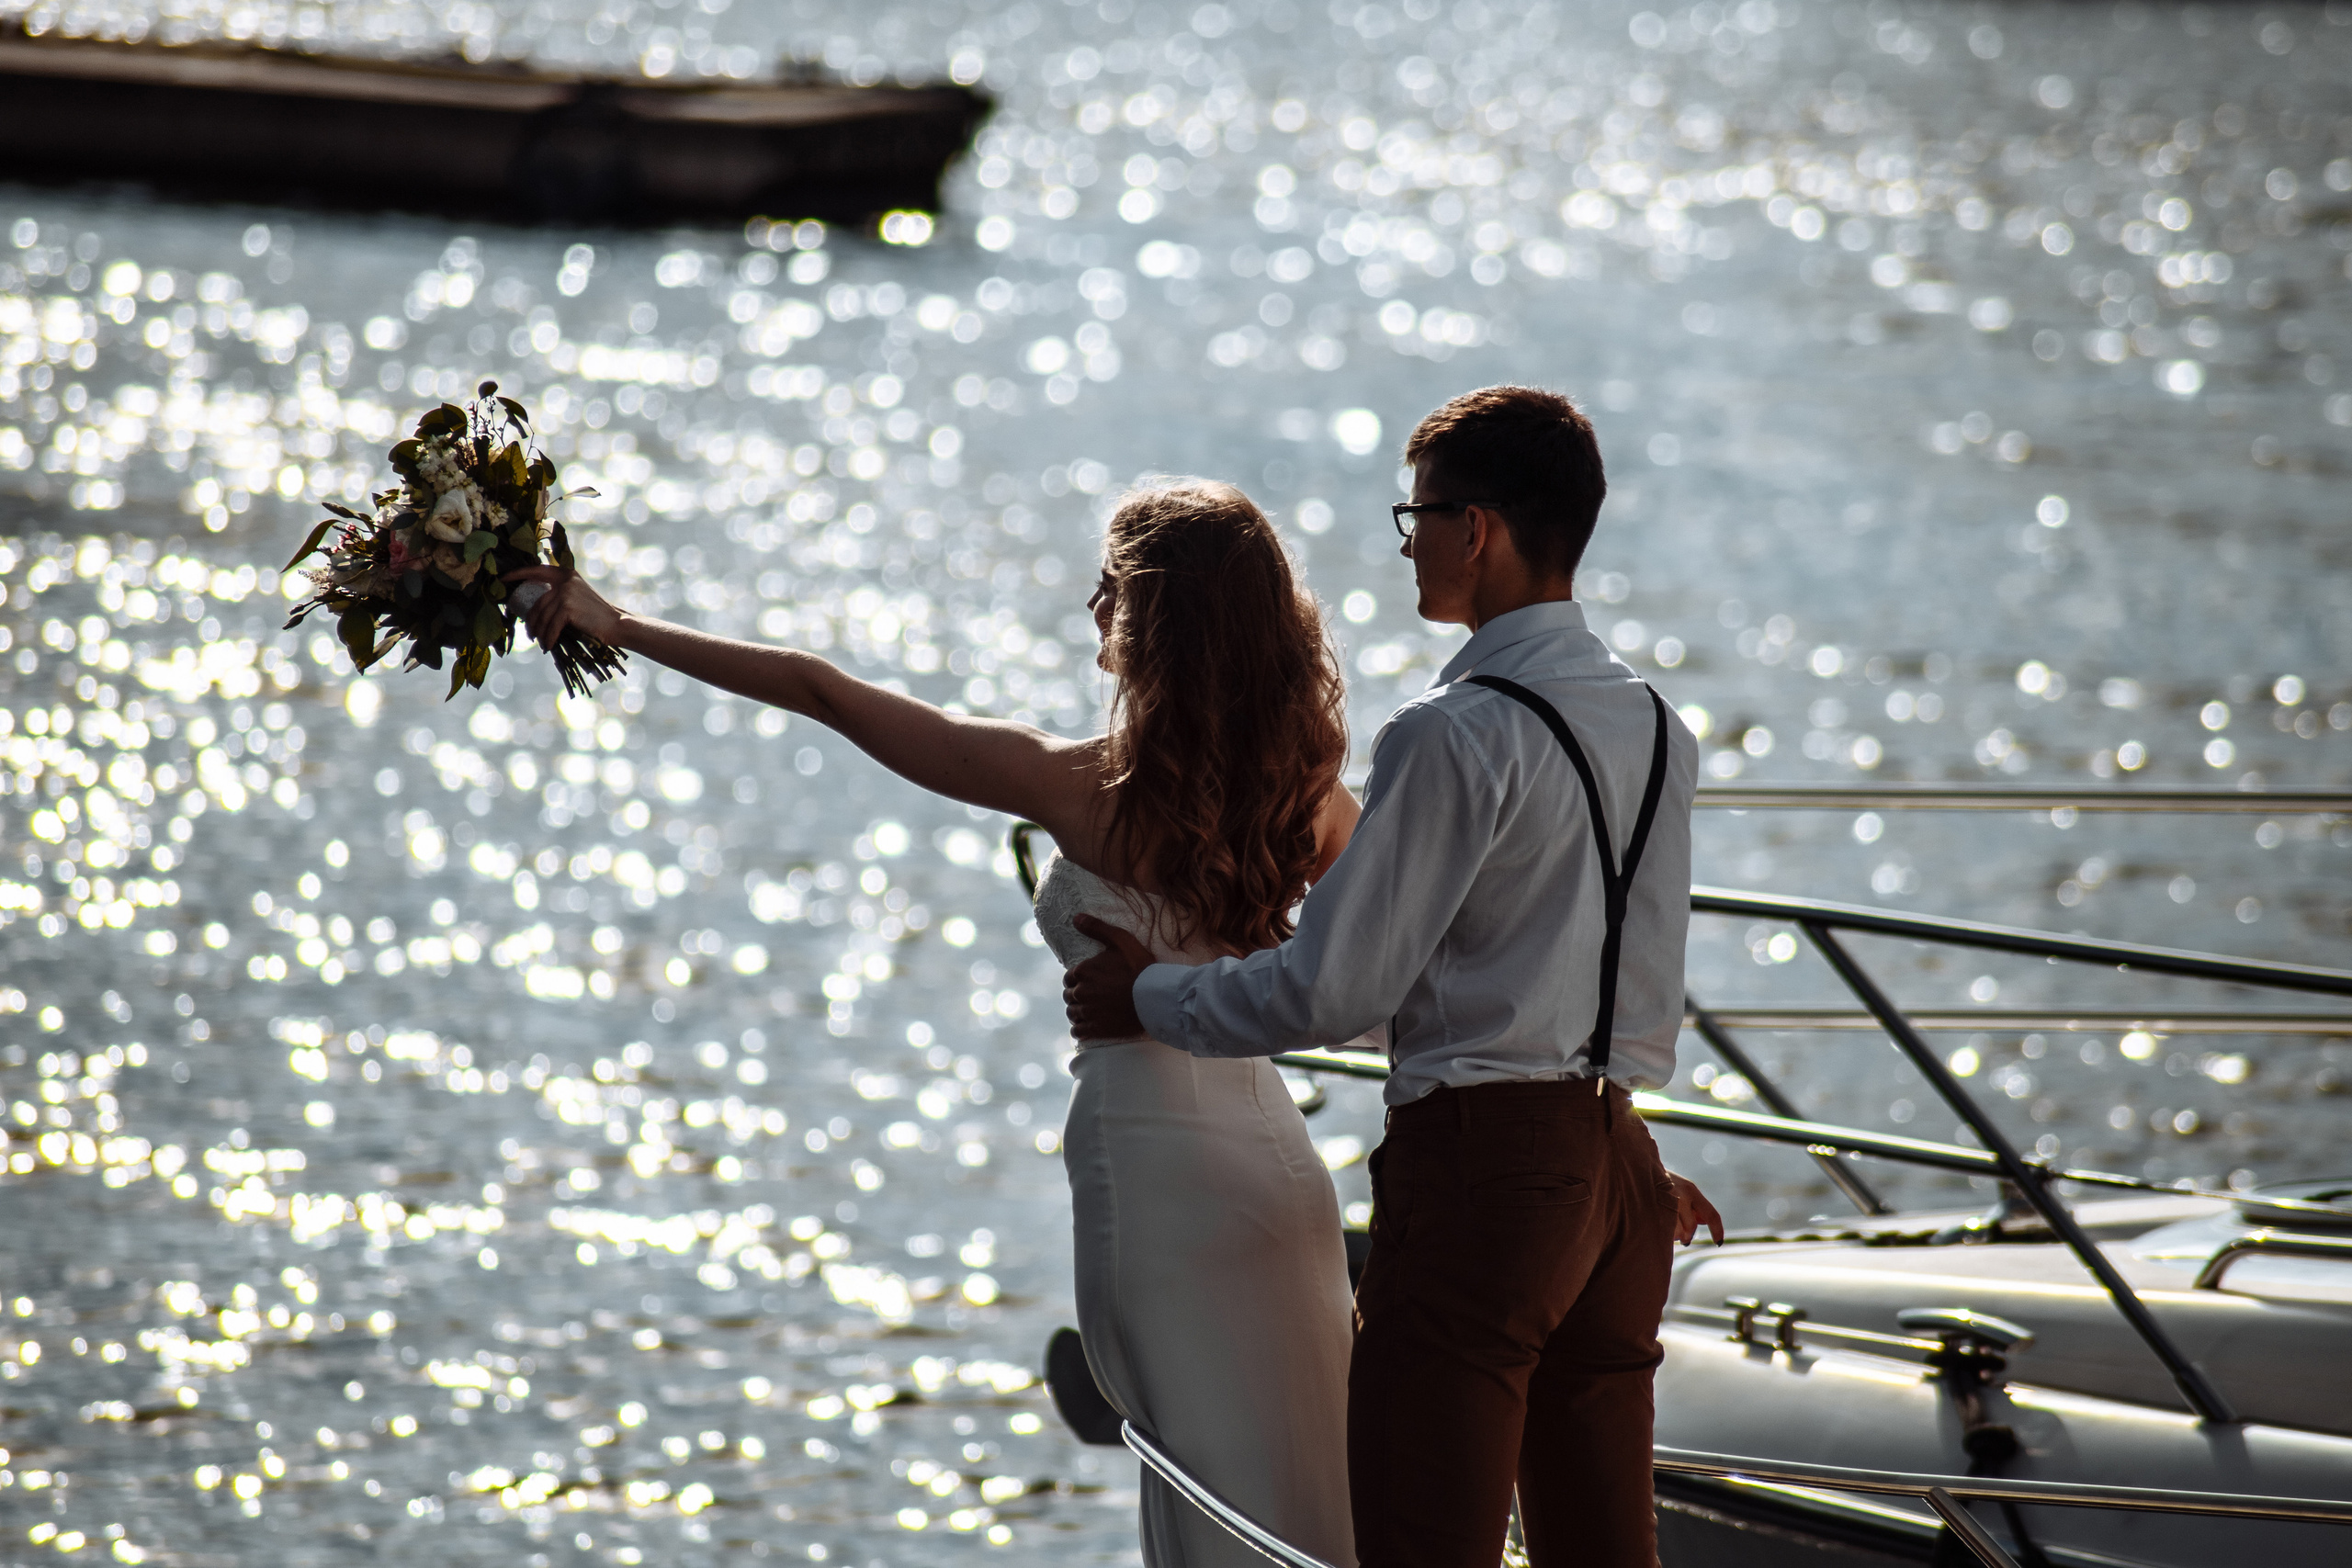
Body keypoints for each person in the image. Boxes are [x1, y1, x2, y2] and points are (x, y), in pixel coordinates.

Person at [508, 479, 1361, 1568]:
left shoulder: (1075, 786)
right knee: (1305, 1477)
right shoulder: (1312, 795)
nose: (1091, 605)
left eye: (1110, 584)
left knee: (1199, 1478)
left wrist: (614, 621)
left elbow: (823, 691)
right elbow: (1394, 957)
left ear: (1157, 618)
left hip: (1156, 1172)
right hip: (1278, 1172)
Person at [1064, 386, 1724, 1568]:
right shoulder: (1654, 721)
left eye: (1416, 514)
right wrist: (1614, 1152)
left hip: (1485, 1175)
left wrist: (1146, 998)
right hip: (1616, 1170)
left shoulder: (1450, 731)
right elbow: (1619, 978)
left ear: (1477, 528)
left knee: (1425, 1542)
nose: (1408, 539)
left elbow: (1331, 992)